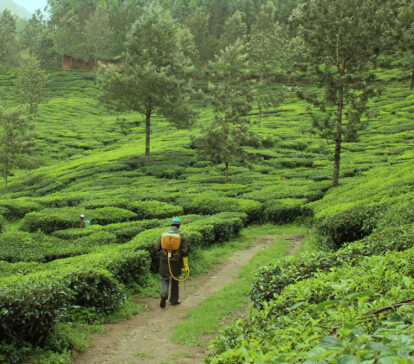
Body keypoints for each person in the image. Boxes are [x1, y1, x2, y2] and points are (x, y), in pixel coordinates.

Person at [155, 217, 189, 308]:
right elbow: (185, 250)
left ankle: (163, 295)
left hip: (164, 260)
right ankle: (174, 300)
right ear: (179, 225)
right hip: (176, 261)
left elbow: (157, 247)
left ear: (171, 224)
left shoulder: (163, 234)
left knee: (164, 279)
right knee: (175, 280)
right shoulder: (181, 235)